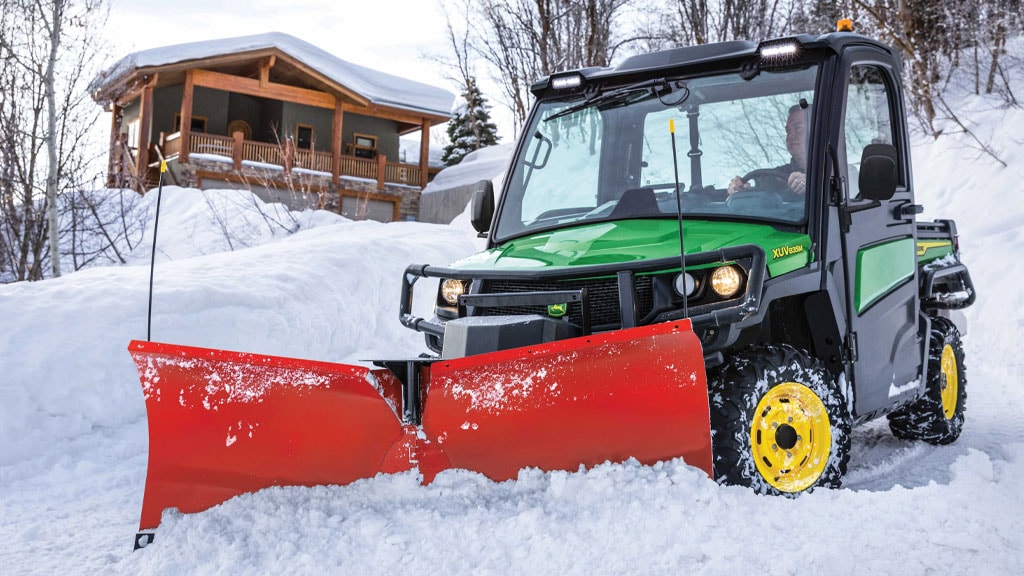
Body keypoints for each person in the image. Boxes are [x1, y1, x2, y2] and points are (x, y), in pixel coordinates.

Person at [727, 104, 808, 197]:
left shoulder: (827, 172)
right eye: (788, 131)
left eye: (798, 129)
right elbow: (763, 186)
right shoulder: (778, 175)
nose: (790, 135)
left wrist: (810, 184)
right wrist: (740, 188)